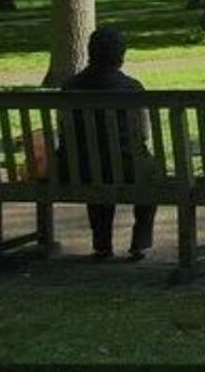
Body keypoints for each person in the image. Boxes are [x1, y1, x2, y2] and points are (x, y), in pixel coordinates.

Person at [60, 25, 157, 261]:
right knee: (152, 173)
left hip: (77, 169)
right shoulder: (133, 88)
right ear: (121, 56)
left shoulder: (69, 87)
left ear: (90, 52)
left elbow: (64, 131)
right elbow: (143, 134)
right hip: (125, 167)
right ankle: (140, 242)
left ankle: (102, 244)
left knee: (95, 165)